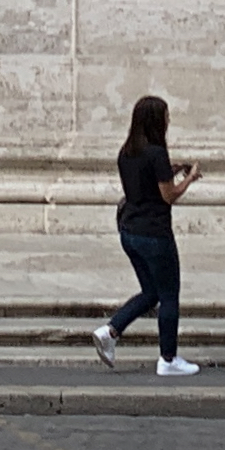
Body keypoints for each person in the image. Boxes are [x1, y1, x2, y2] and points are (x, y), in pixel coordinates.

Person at [87, 89, 200, 380]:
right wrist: (189, 177)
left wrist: (172, 170)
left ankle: (111, 331)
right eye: (166, 117)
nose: (169, 120)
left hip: (129, 231)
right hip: (155, 234)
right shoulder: (157, 152)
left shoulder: (127, 152)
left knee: (151, 293)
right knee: (169, 295)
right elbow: (168, 195)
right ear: (156, 122)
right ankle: (168, 358)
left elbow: (146, 182)